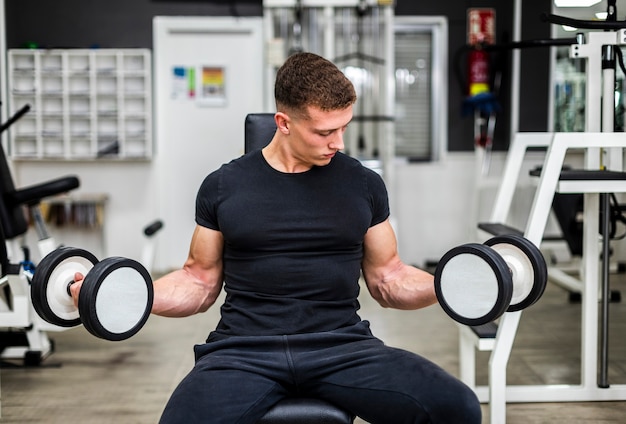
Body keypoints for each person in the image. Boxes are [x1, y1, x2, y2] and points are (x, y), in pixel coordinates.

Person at [73, 52, 481, 423]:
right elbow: (198, 282)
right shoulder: (223, 185)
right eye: (324, 132)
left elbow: (388, 279)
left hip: (341, 347)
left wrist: (451, 285)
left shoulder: (364, 184)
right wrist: (124, 295)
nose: (338, 143)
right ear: (283, 123)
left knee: (457, 408)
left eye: (344, 128)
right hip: (243, 351)